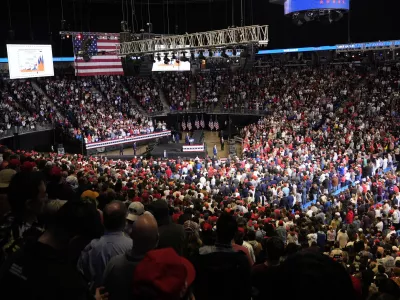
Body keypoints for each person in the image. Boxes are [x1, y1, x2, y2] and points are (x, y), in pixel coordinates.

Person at [0, 200, 102, 300]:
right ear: (75, 240)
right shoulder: (70, 284)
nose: (87, 249)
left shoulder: (15, 249)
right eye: (86, 244)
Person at [192, 213, 251, 300]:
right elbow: (245, 292)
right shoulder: (242, 260)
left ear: (216, 231)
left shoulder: (200, 254)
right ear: (235, 234)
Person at [78, 200, 132, 290]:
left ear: (103, 221)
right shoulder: (133, 246)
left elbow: (81, 276)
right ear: (124, 222)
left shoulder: (90, 248)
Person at [103, 213, 159, 300]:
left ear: (131, 235)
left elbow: (103, 292)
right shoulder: (161, 271)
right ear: (157, 239)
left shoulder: (114, 264)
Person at [0, 171, 47, 263]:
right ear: (29, 204)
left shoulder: (6, 217)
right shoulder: (36, 238)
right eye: (44, 195)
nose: (47, 198)